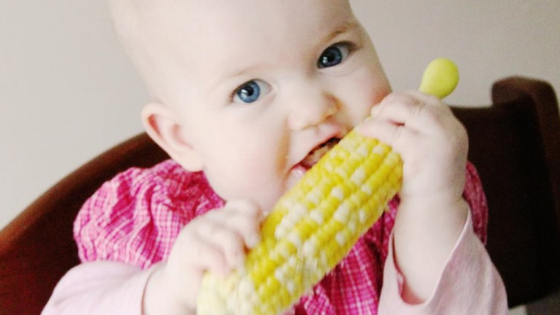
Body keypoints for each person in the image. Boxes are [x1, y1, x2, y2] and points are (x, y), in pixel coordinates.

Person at [42, 0, 508, 314]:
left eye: (332, 55)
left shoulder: (409, 204)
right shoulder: (156, 221)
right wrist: (169, 293)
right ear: (183, 138)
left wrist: (432, 209)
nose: (313, 109)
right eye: (249, 91)